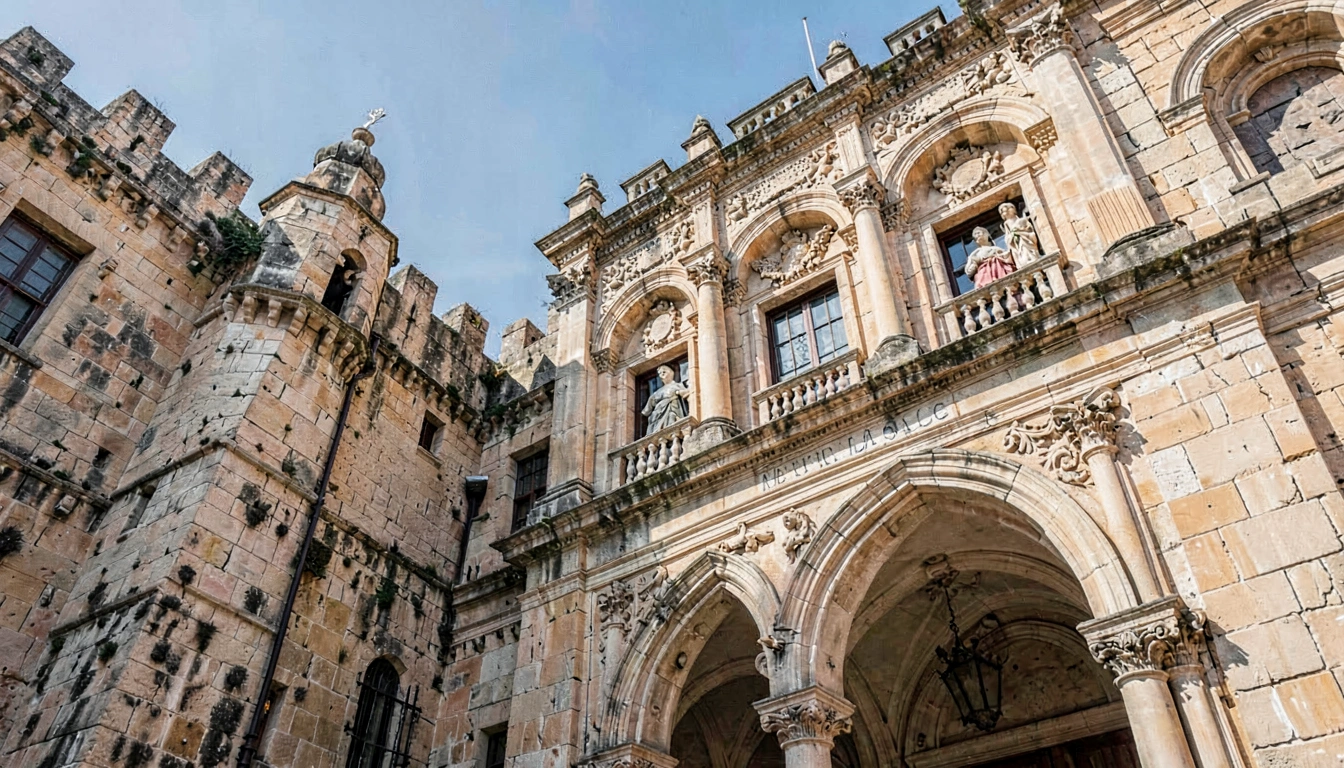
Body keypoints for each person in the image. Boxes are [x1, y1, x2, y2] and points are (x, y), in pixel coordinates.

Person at [642, 365, 690, 435]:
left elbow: (686, 393)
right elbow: (647, 410)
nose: (662, 374)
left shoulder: (677, 385)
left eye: (664, 372)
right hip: (657, 416)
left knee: (671, 420)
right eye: (660, 373)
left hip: (672, 411)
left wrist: (678, 392)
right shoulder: (656, 393)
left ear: (671, 373)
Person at [999, 202, 1039, 266]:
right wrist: (1012, 235)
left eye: (1008, 209)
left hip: (1025, 239)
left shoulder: (1022, 220)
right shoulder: (1006, 223)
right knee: (1019, 250)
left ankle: (1030, 258)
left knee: (1024, 246)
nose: (1006, 213)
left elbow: (1029, 229)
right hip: (1016, 244)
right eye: (1003, 212)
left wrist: (1020, 231)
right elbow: (1007, 236)